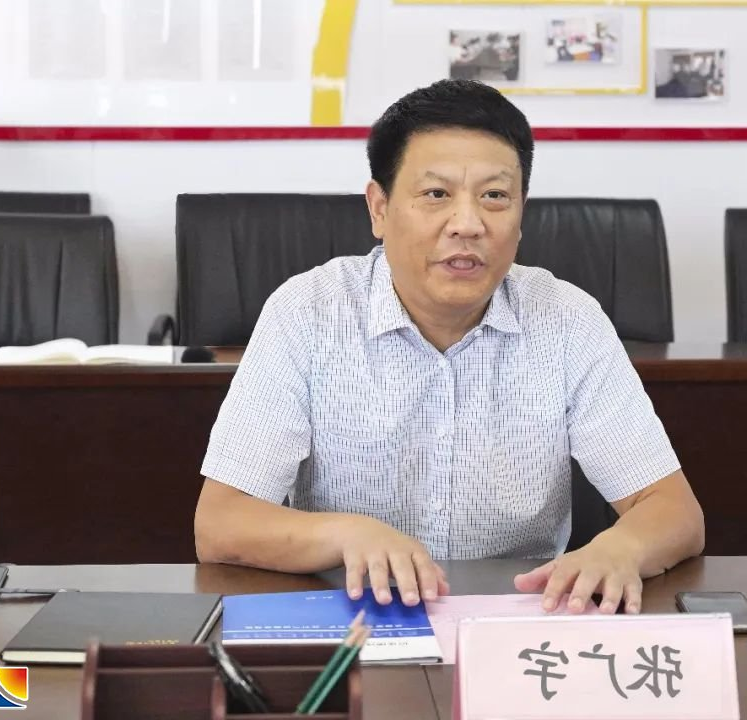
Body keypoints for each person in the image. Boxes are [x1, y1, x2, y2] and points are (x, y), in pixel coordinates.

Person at [194, 79, 704, 616]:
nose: (467, 224)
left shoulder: (567, 319)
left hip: (515, 621)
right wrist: (347, 535)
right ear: (379, 209)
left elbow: (673, 510)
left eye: (495, 197)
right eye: (436, 195)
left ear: (521, 213)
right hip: (354, 618)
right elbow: (221, 523)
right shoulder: (307, 312)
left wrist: (622, 548)